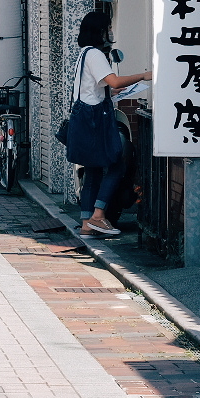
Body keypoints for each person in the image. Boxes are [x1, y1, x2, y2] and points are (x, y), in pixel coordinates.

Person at [72, 12, 150, 237]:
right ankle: (98, 215)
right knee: (116, 165)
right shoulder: (96, 54)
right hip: (96, 122)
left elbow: (96, 88)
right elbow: (113, 80)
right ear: (100, 31)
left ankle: (87, 222)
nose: (111, 32)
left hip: (84, 120)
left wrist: (111, 91)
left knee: (94, 171)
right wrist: (143, 76)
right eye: (108, 27)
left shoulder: (84, 53)